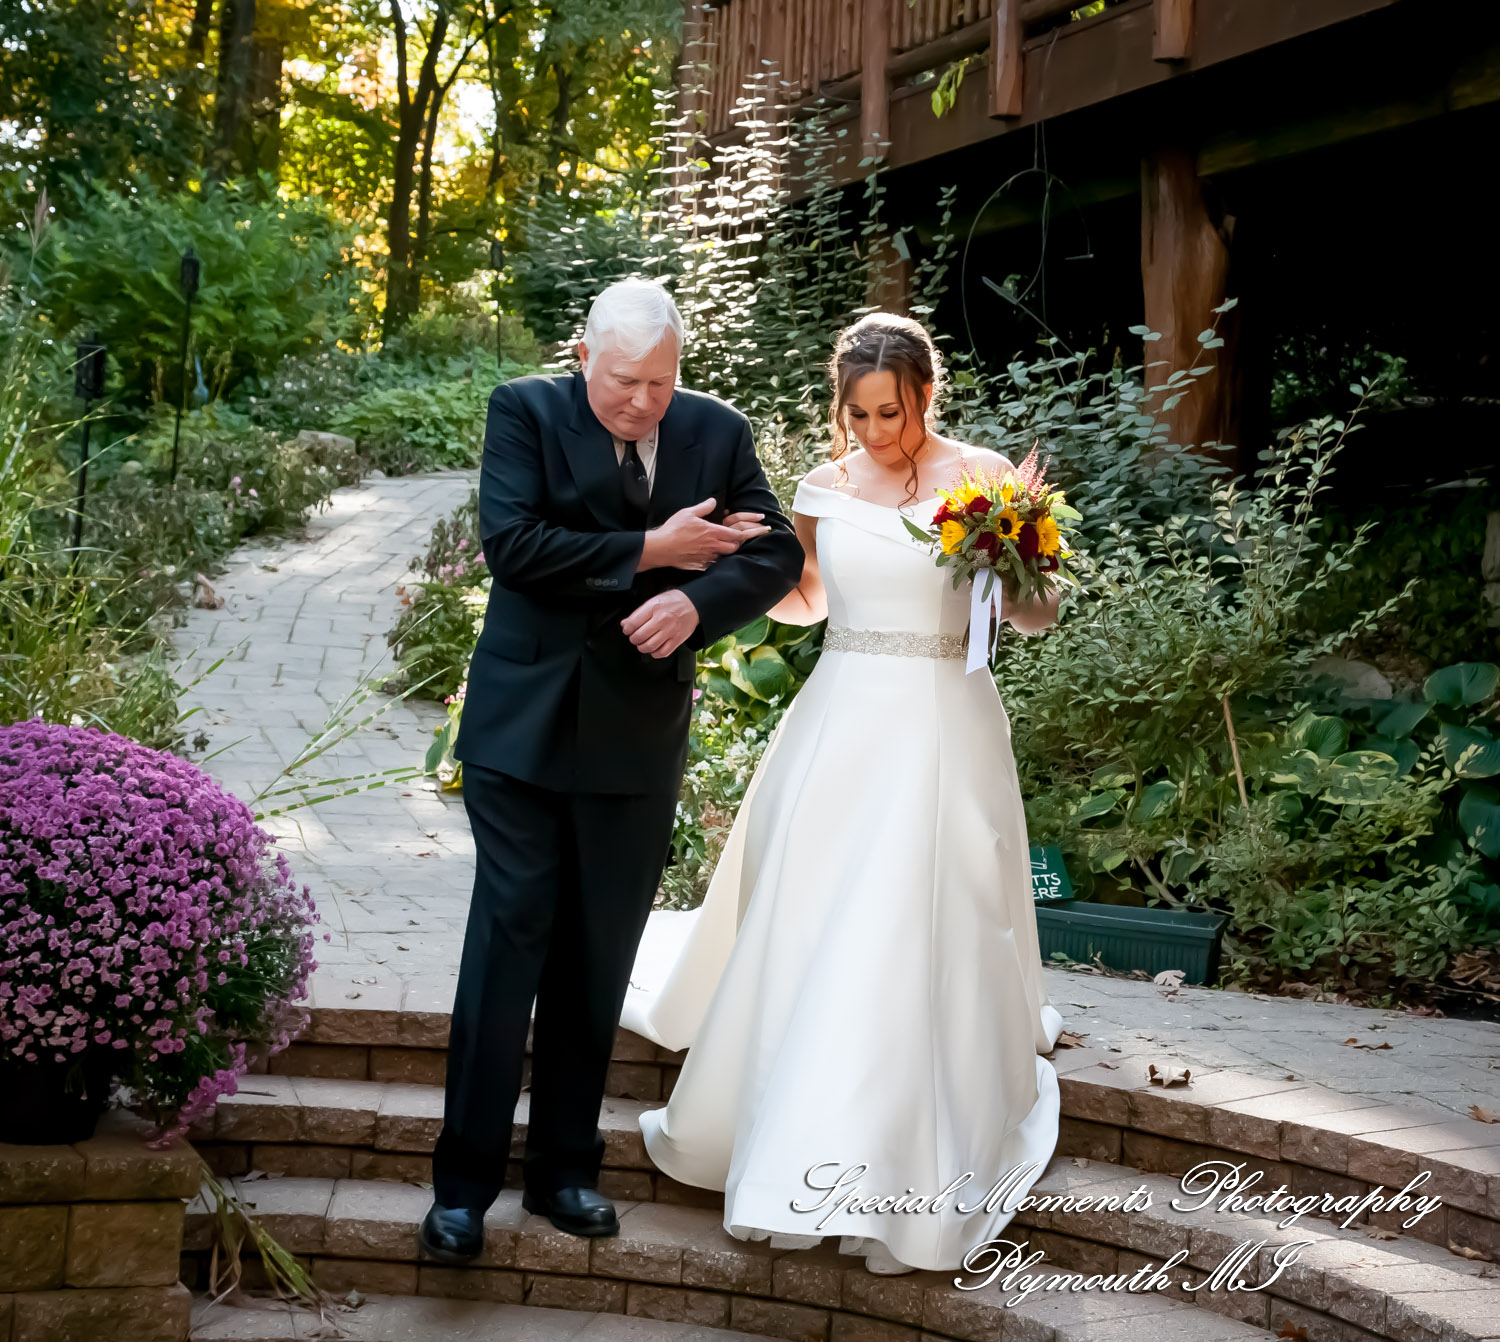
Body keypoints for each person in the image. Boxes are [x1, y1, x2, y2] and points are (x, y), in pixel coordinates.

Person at [620, 311, 1066, 1276]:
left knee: (922, 916)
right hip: (840, 718)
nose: (873, 432)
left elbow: (1036, 618)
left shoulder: (988, 478)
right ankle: (795, 1130)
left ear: (926, 395)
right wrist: (738, 561)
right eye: (858, 414)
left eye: (891, 413)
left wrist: (1012, 556)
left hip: (945, 720)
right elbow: (811, 599)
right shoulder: (822, 486)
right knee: (822, 917)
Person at [419, 278, 805, 1262]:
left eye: (660, 383)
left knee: (599, 957)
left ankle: (563, 1174)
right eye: (624, 380)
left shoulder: (716, 430)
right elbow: (514, 547)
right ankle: (461, 1187)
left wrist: (695, 602)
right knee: (509, 944)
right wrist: (651, 551)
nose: (641, 402)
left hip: (636, 738)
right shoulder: (525, 411)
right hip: (521, 731)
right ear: (583, 356)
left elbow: (775, 553)